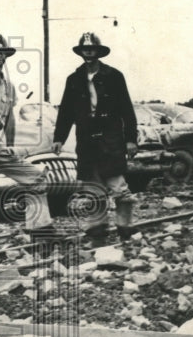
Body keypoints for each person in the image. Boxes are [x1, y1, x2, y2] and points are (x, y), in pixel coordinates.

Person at [52, 32, 138, 243]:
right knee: (93, 189)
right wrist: (59, 138)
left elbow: (127, 109)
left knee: (119, 188)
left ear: (98, 52)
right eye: (85, 49)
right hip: (87, 139)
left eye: (92, 49)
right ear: (81, 52)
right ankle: (97, 230)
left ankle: (125, 228)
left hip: (111, 139)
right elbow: (66, 112)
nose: (88, 52)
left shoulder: (114, 76)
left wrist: (130, 139)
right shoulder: (74, 80)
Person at [0, 33, 54, 250]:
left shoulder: (9, 87)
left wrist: (10, 145)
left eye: (2, 52)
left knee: (36, 177)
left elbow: (9, 119)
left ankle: (40, 230)